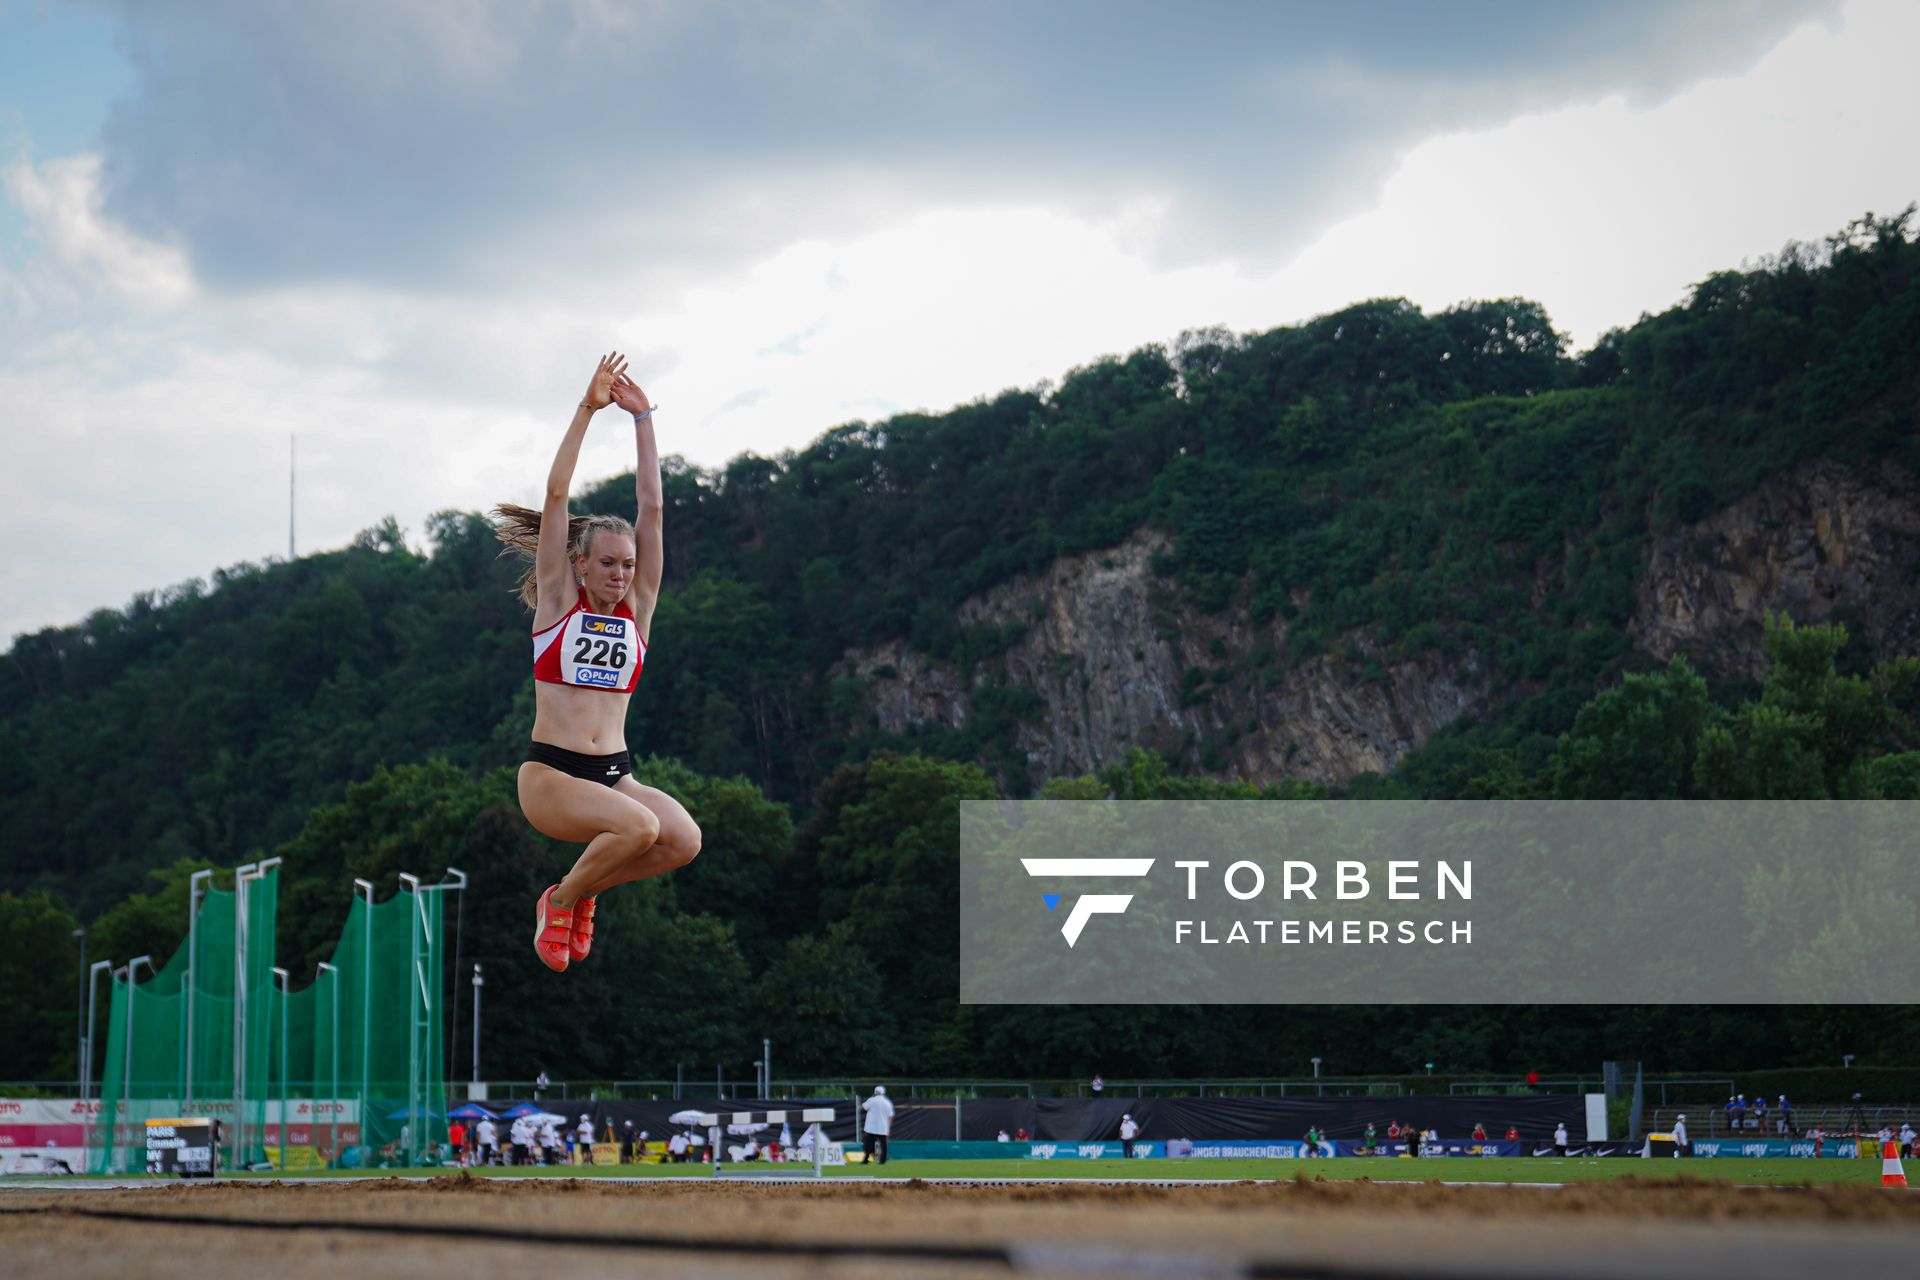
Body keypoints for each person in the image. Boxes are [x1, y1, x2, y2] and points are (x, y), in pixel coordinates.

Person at [496, 354, 702, 972]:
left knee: (683, 841)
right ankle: (562, 899)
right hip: (553, 779)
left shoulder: (637, 611)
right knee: (639, 829)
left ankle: (579, 894)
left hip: (615, 775)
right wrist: (588, 409)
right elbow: (557, 493)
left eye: (628, 564)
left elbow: (653, 512)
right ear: (581, 564)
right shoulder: (559, 602)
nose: (620, 573)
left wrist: (644, 420)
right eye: (608, 563)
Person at [861, 1085, 894, 1165]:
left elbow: (863, 1107)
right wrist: (888, 1128)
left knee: (869, 1144)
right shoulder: (887, 1102)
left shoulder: (872, 1100)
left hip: (871, 1127)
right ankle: (883, 1160)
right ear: (884, 1093)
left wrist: (871, 1097)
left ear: (875, 1092)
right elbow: (890, 1116)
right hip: (883, 1127)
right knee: (883, 1145)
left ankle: (866, 1159)